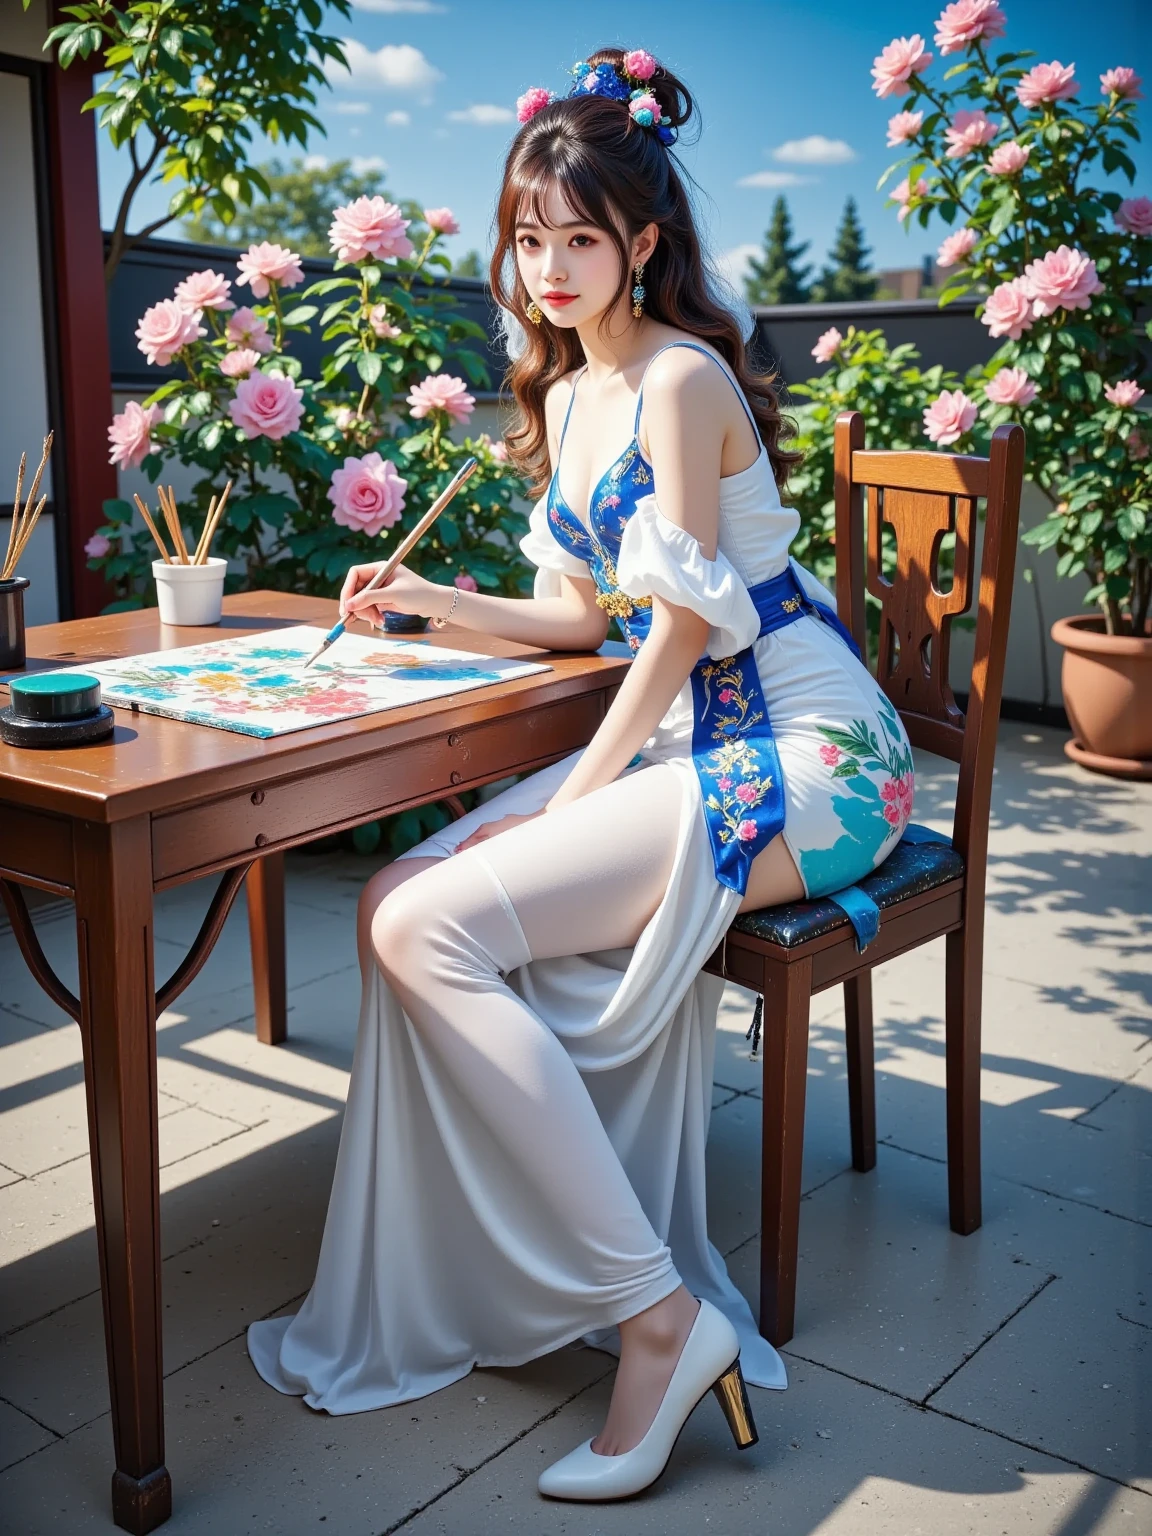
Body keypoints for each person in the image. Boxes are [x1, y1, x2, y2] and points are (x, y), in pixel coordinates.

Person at [247, 45, 915, 1502]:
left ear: (645, 244)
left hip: (812, 750)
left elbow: (680, 623)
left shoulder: (678, 379)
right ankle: (500, 1272)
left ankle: (654, 1320)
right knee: (413, 898)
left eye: (582, 241)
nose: (549, 268)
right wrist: (431, 606)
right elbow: (576, 615)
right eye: (529, 240)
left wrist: (585, 783)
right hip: (692, 734)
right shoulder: (563, 398)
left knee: (430, 920)